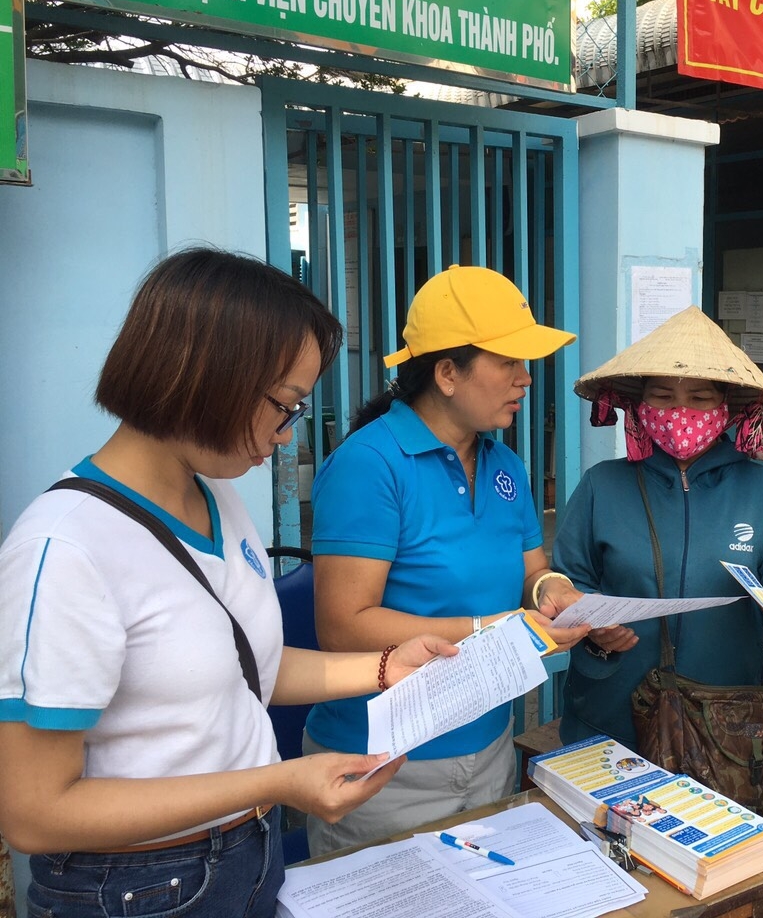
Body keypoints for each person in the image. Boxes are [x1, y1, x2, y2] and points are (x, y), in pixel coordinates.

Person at [0, 249, 459, 918]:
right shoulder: (66, 548)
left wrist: (386, 667)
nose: (285, 433)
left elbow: (248, 667)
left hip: (246, 851)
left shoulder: (218, 499)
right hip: (136, 887)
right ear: (206, 377)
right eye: (283, 405)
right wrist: (282, 780)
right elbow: (35, 814)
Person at [302, 264, 591, 856]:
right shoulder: (370, 466)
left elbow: (533, 569)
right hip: (384, 765)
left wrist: (554, 593)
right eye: (508, 362)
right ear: (447, 373)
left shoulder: (504, 465)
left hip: (486, 743)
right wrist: (491, 629)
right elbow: (343, 624)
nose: (526, 379)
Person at [536, 306, 763, 751]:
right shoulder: (600, 486)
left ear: (726, 408)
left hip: (725, 734)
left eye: (701, 398)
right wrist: (594, 635)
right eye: (663, 396)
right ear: (639, 404)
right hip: (606, 726)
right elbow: (567, 590)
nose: (680, 411)